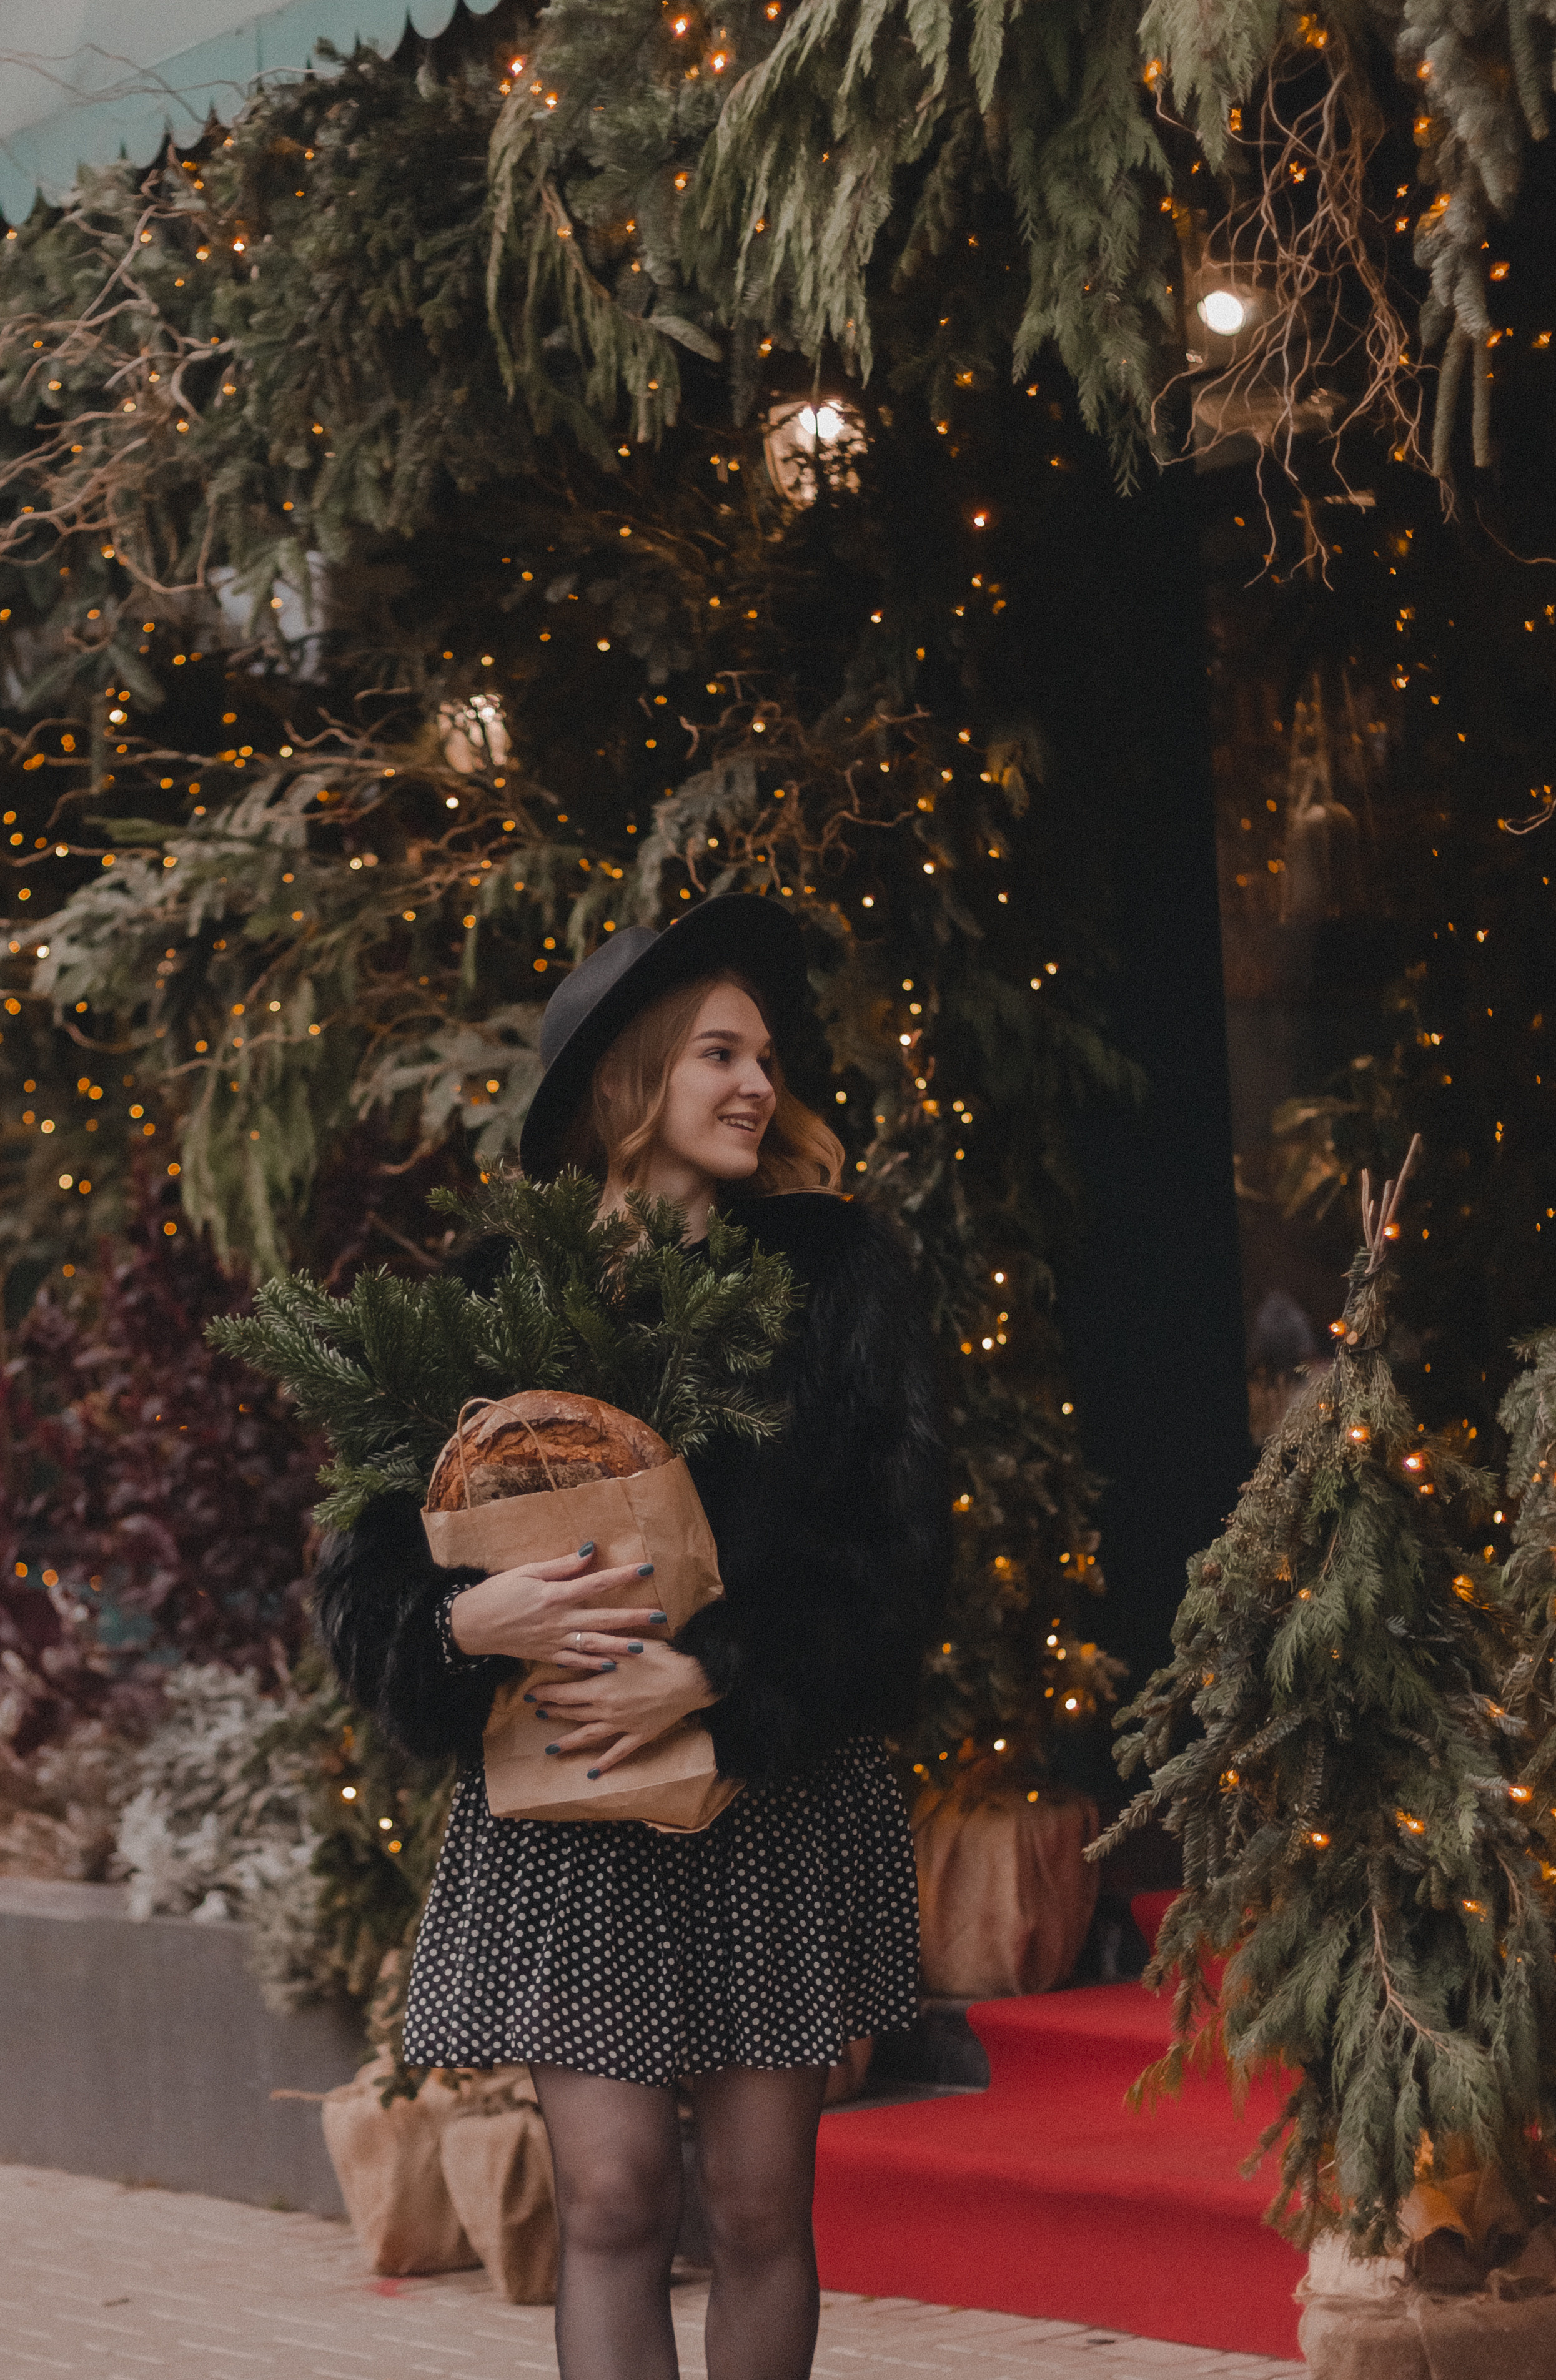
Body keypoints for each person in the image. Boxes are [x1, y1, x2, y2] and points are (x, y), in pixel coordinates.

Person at [314, 894, 949, 2380]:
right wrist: (468, 1620)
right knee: (608, 2195)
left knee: (753, 2204)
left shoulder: (837, 1277)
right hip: (570, 1804)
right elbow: (364, 1573)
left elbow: (899, 1561)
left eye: (766, 1057)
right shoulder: (487, 1300)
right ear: (627, 1080)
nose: (755, 1085)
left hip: (765, 1790)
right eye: (717, 1052)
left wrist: (721, 1681)